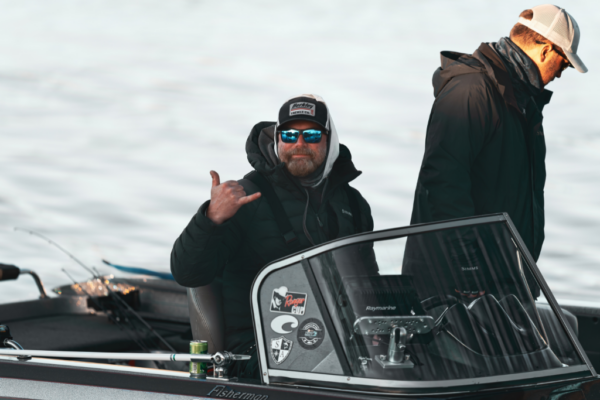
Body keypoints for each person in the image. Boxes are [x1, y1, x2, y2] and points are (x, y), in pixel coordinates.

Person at [171, 94, 373, 378]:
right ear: (278, 140)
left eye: (312, 135)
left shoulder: (353, 204)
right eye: (289, 135)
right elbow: (187, 273)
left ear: (330, 142)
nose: (299, 143)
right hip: (257, 346)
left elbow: (368, 284)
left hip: (336, 339)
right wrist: (211, 217)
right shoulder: (245, 197)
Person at [404, 5, 587, 299]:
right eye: (563, 64)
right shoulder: (471, 90)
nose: (560, 75)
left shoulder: (523, 103)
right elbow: (442, 183)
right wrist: (468, 272)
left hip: (502, 286)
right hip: (458, 291)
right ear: (545, 51)